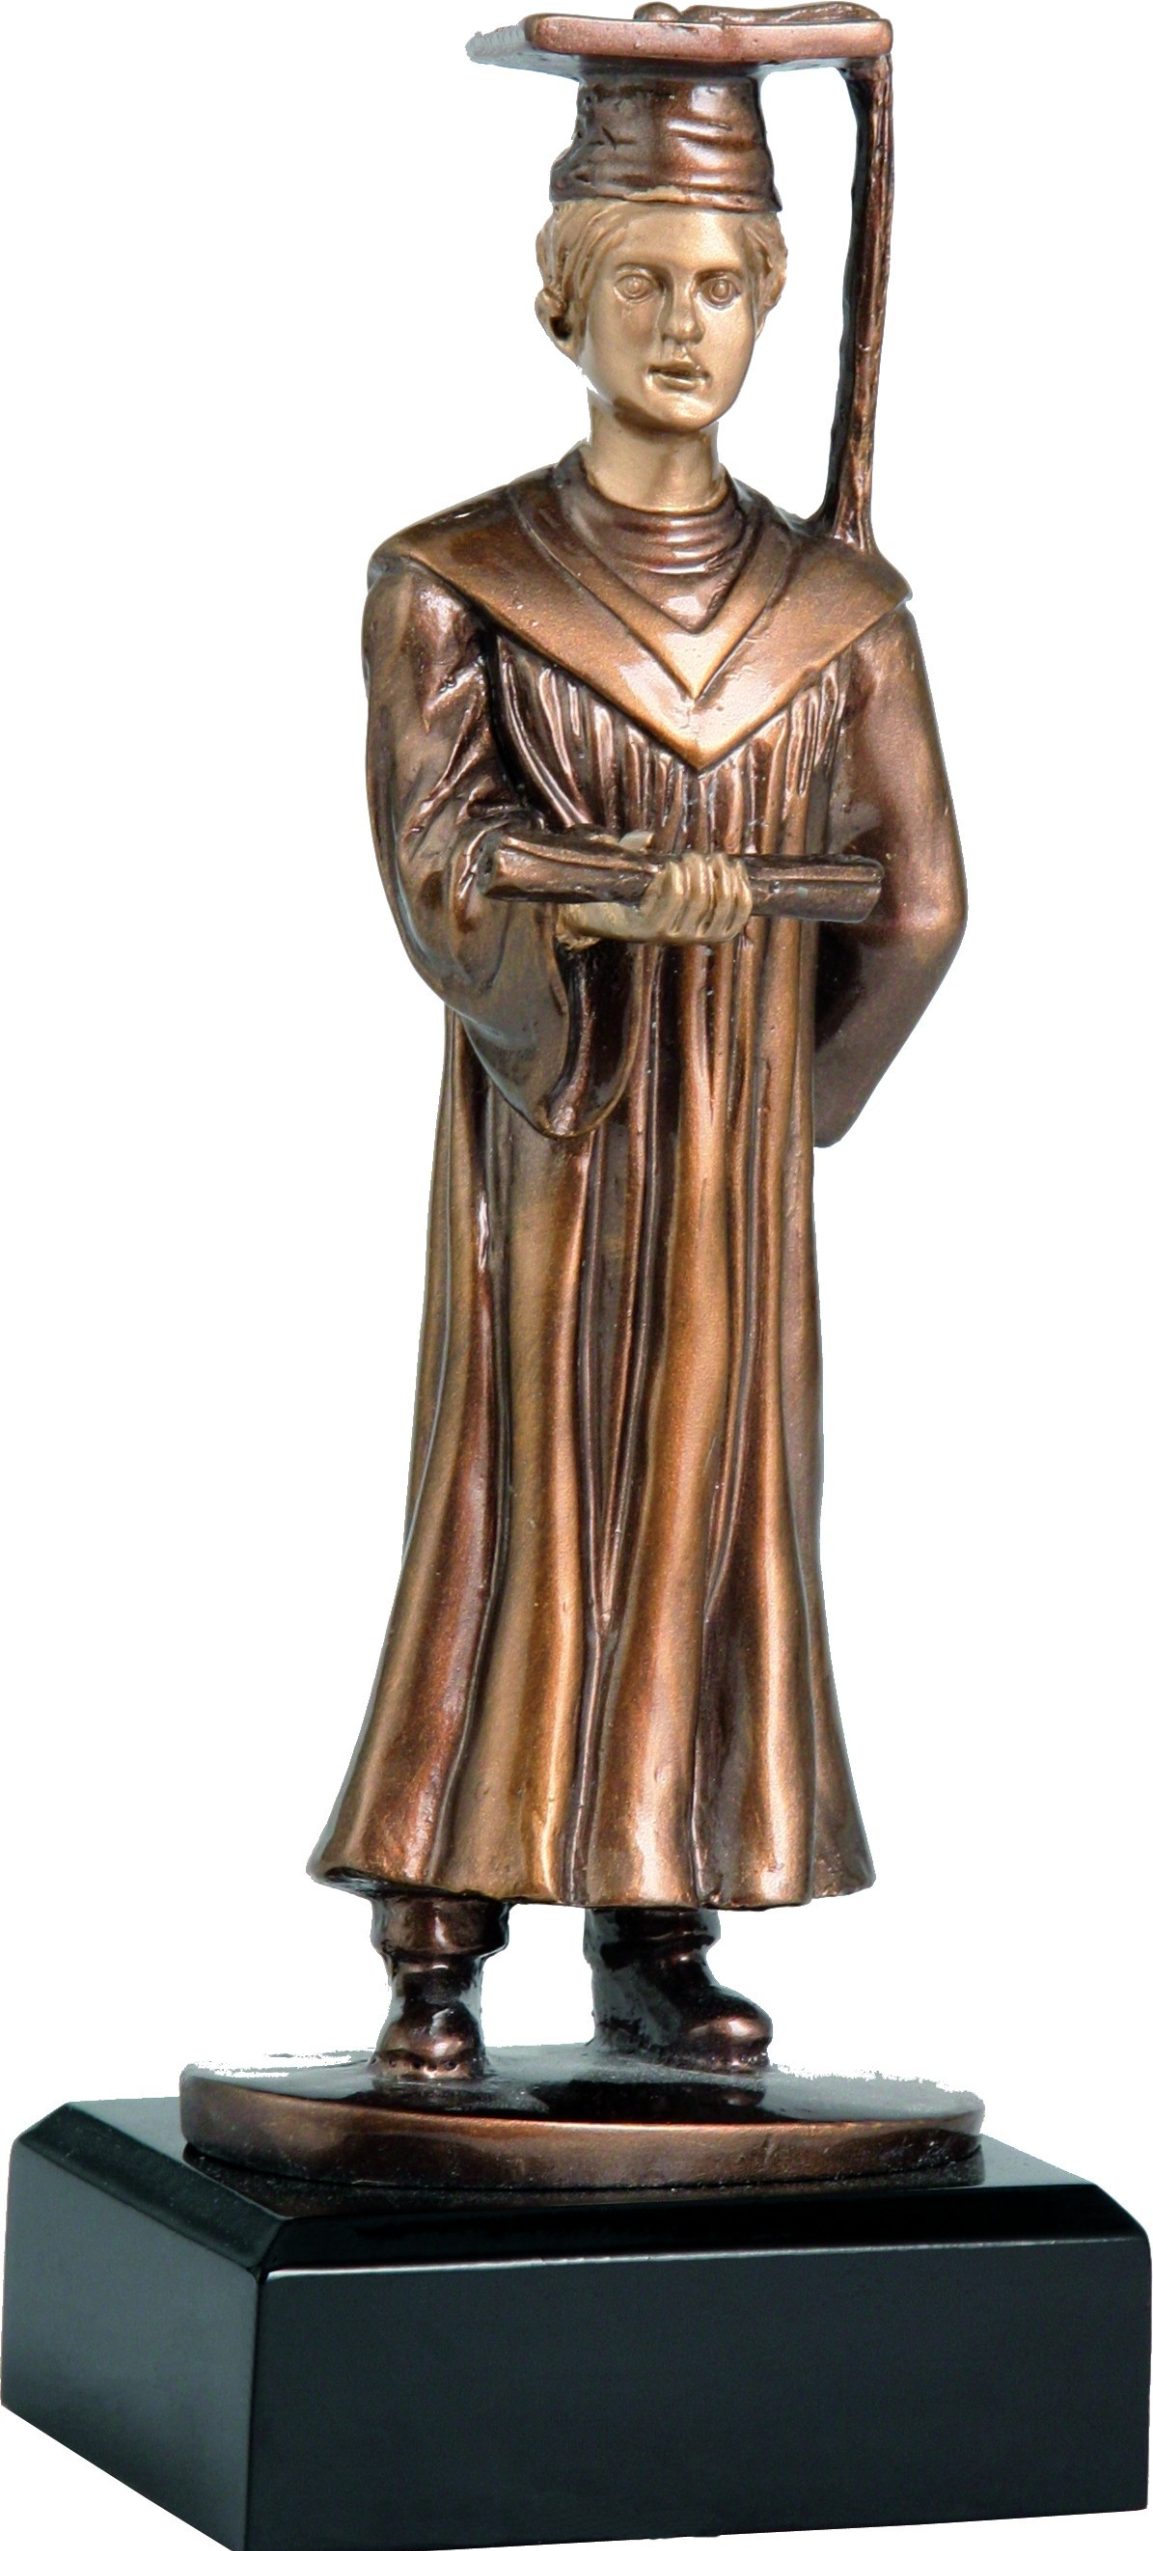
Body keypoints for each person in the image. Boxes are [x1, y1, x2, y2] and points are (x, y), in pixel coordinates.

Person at [309, 24, 965, 2078]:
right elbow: (434, 864)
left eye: (724, 285)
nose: (685, 326)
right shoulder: (458, 585)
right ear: (559, 298)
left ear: (772, 303)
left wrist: (791, 1094)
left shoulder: (839, 611)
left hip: (730, 1157)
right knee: (516, 1487)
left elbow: (918, 899)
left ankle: (656, 1919)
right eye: (642, 283)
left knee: (706, 1497)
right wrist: (583, 921)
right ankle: (436, 1920)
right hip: (556, 1129)